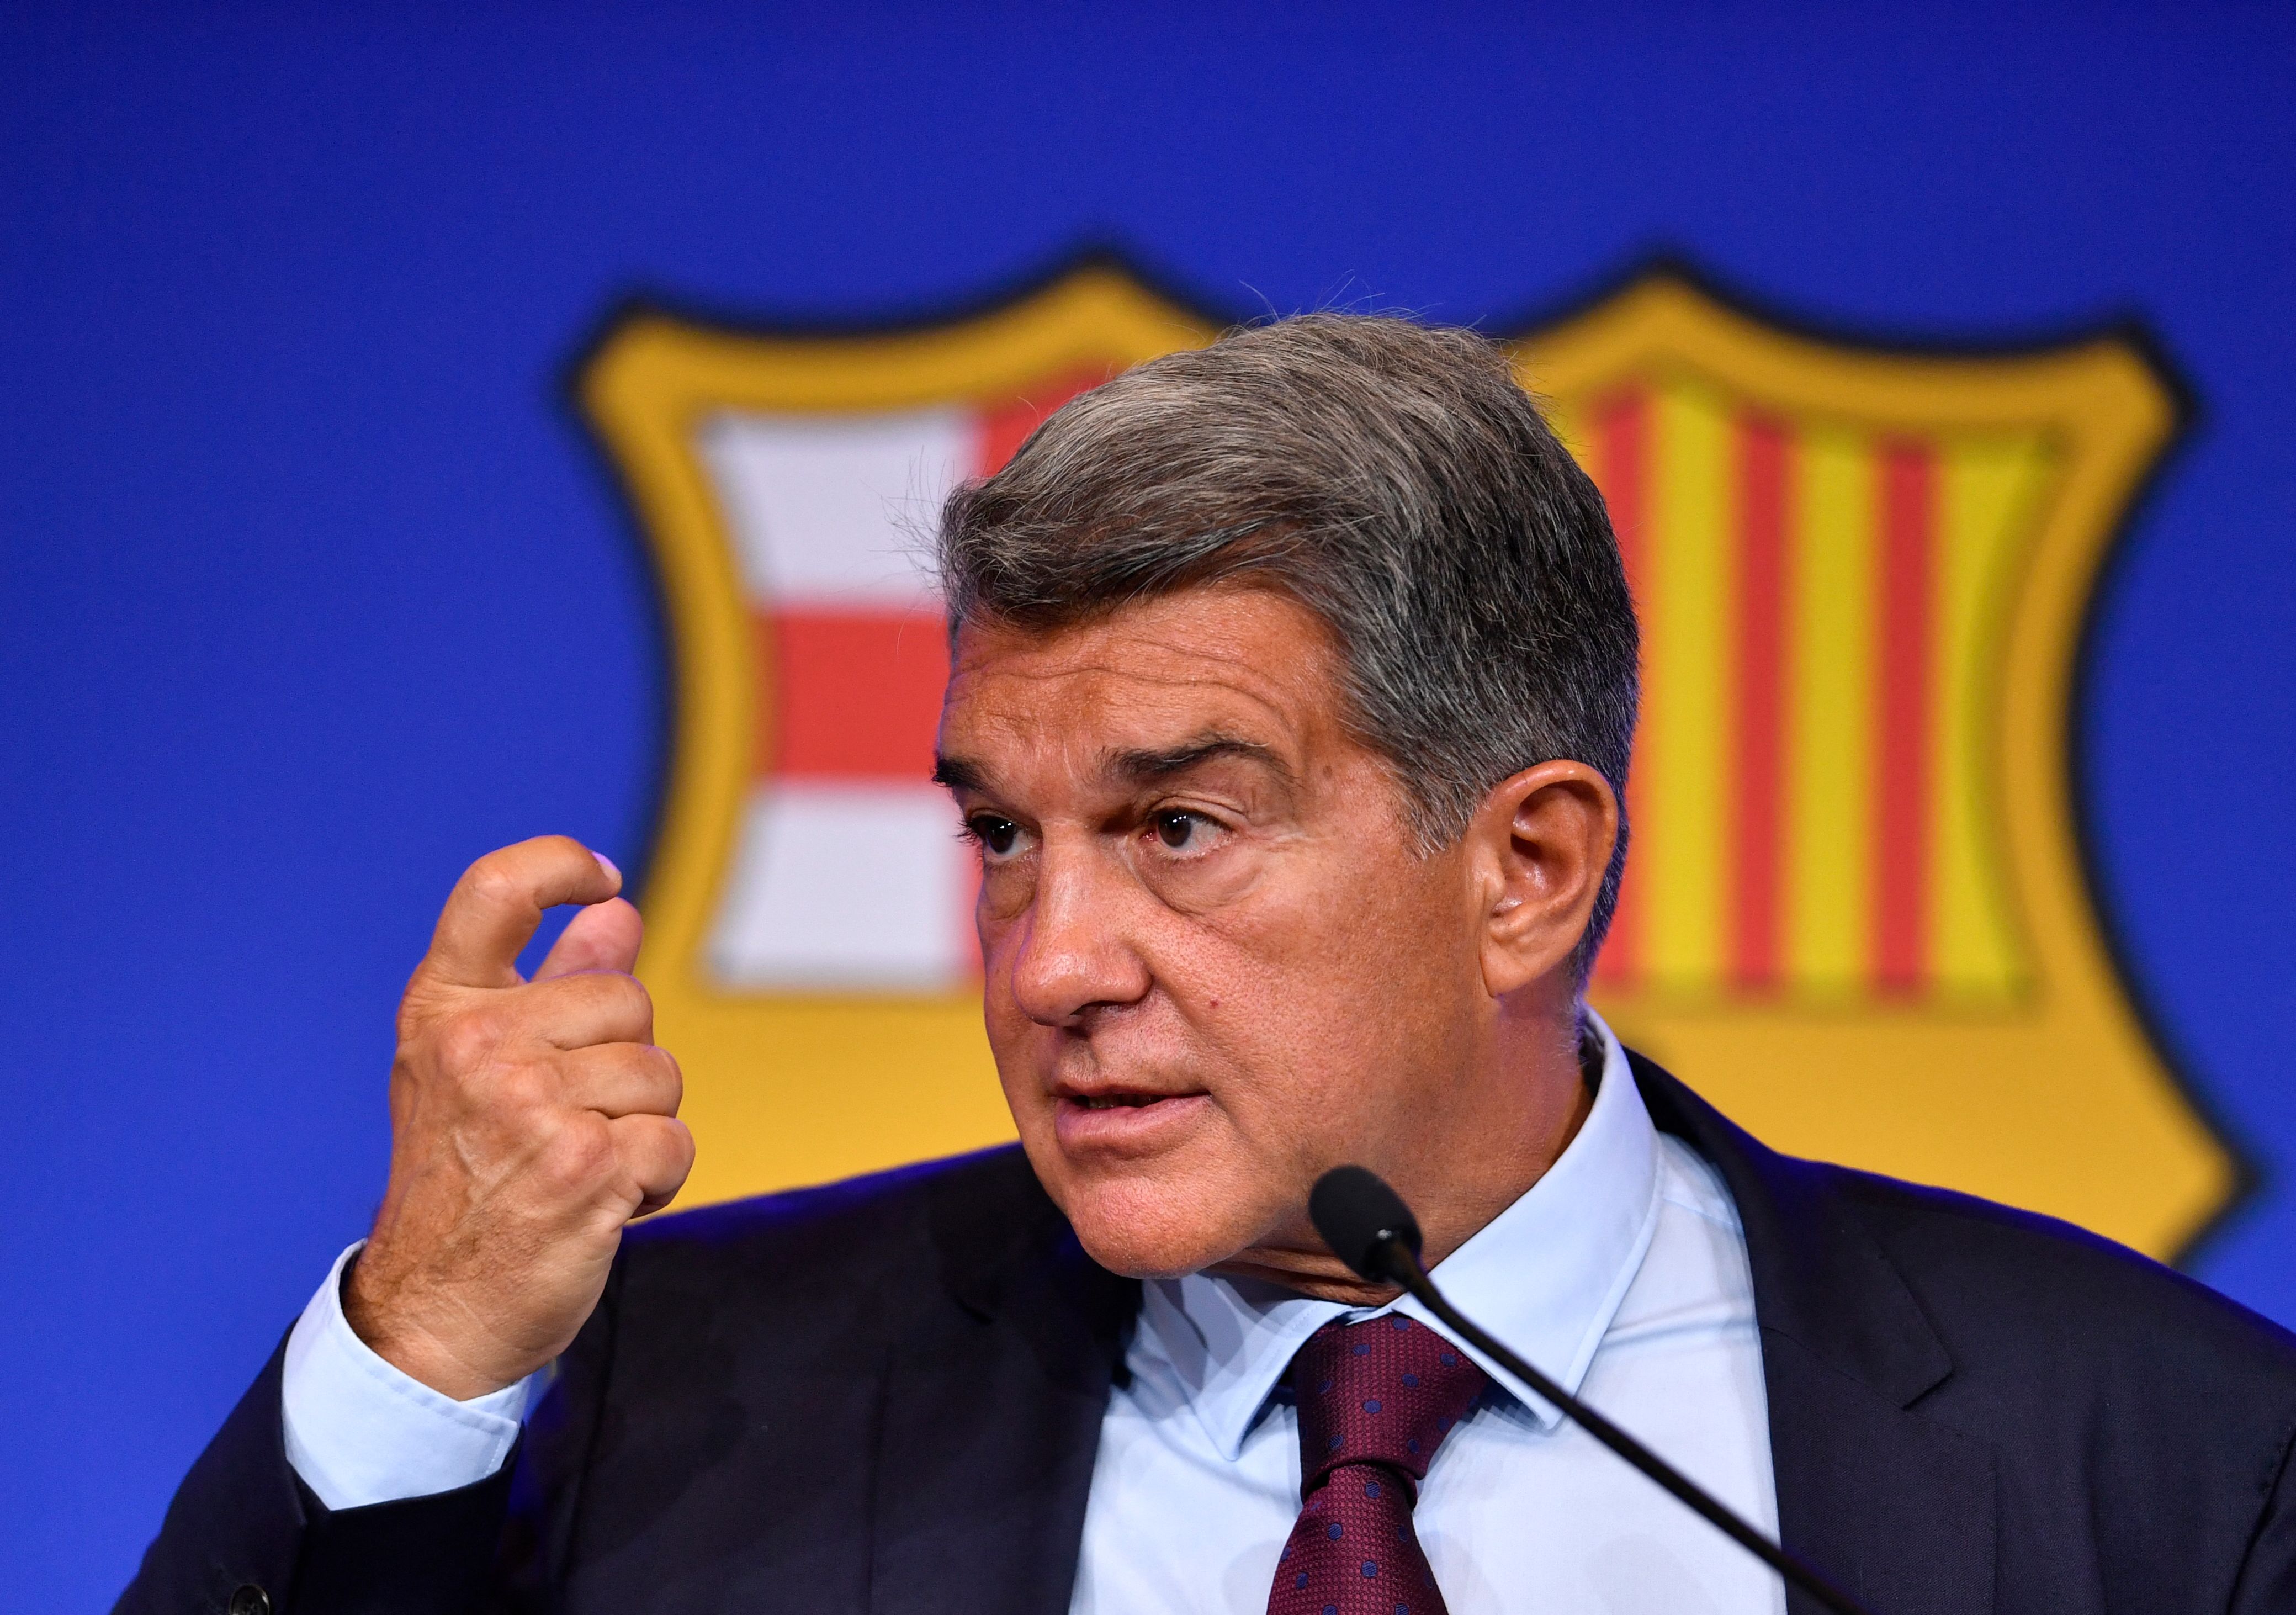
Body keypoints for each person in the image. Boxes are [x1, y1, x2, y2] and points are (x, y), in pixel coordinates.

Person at [121, 317, 2295, 1615]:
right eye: (999, 834)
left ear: (1523, 867)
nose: (1051, 960)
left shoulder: (2154, 1465)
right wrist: (421, 1350)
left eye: (1176, 825)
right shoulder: (683, 1400)